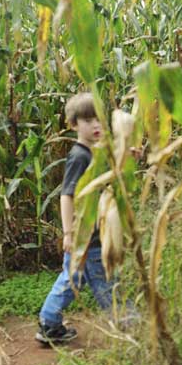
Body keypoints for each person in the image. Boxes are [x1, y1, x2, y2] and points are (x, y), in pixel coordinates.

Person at [36, 92, 115, 344]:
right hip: (86, 237)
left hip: (94, 234)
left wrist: (127, 156)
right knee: (106, 284)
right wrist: (69, 233)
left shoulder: (96, 152)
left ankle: (49, 322)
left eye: (99, 120)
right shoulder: (80, 156)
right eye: (88, 120)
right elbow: (66, 196)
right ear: (73, 125)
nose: (95, 126)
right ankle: (126, 324)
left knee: (72, 280)